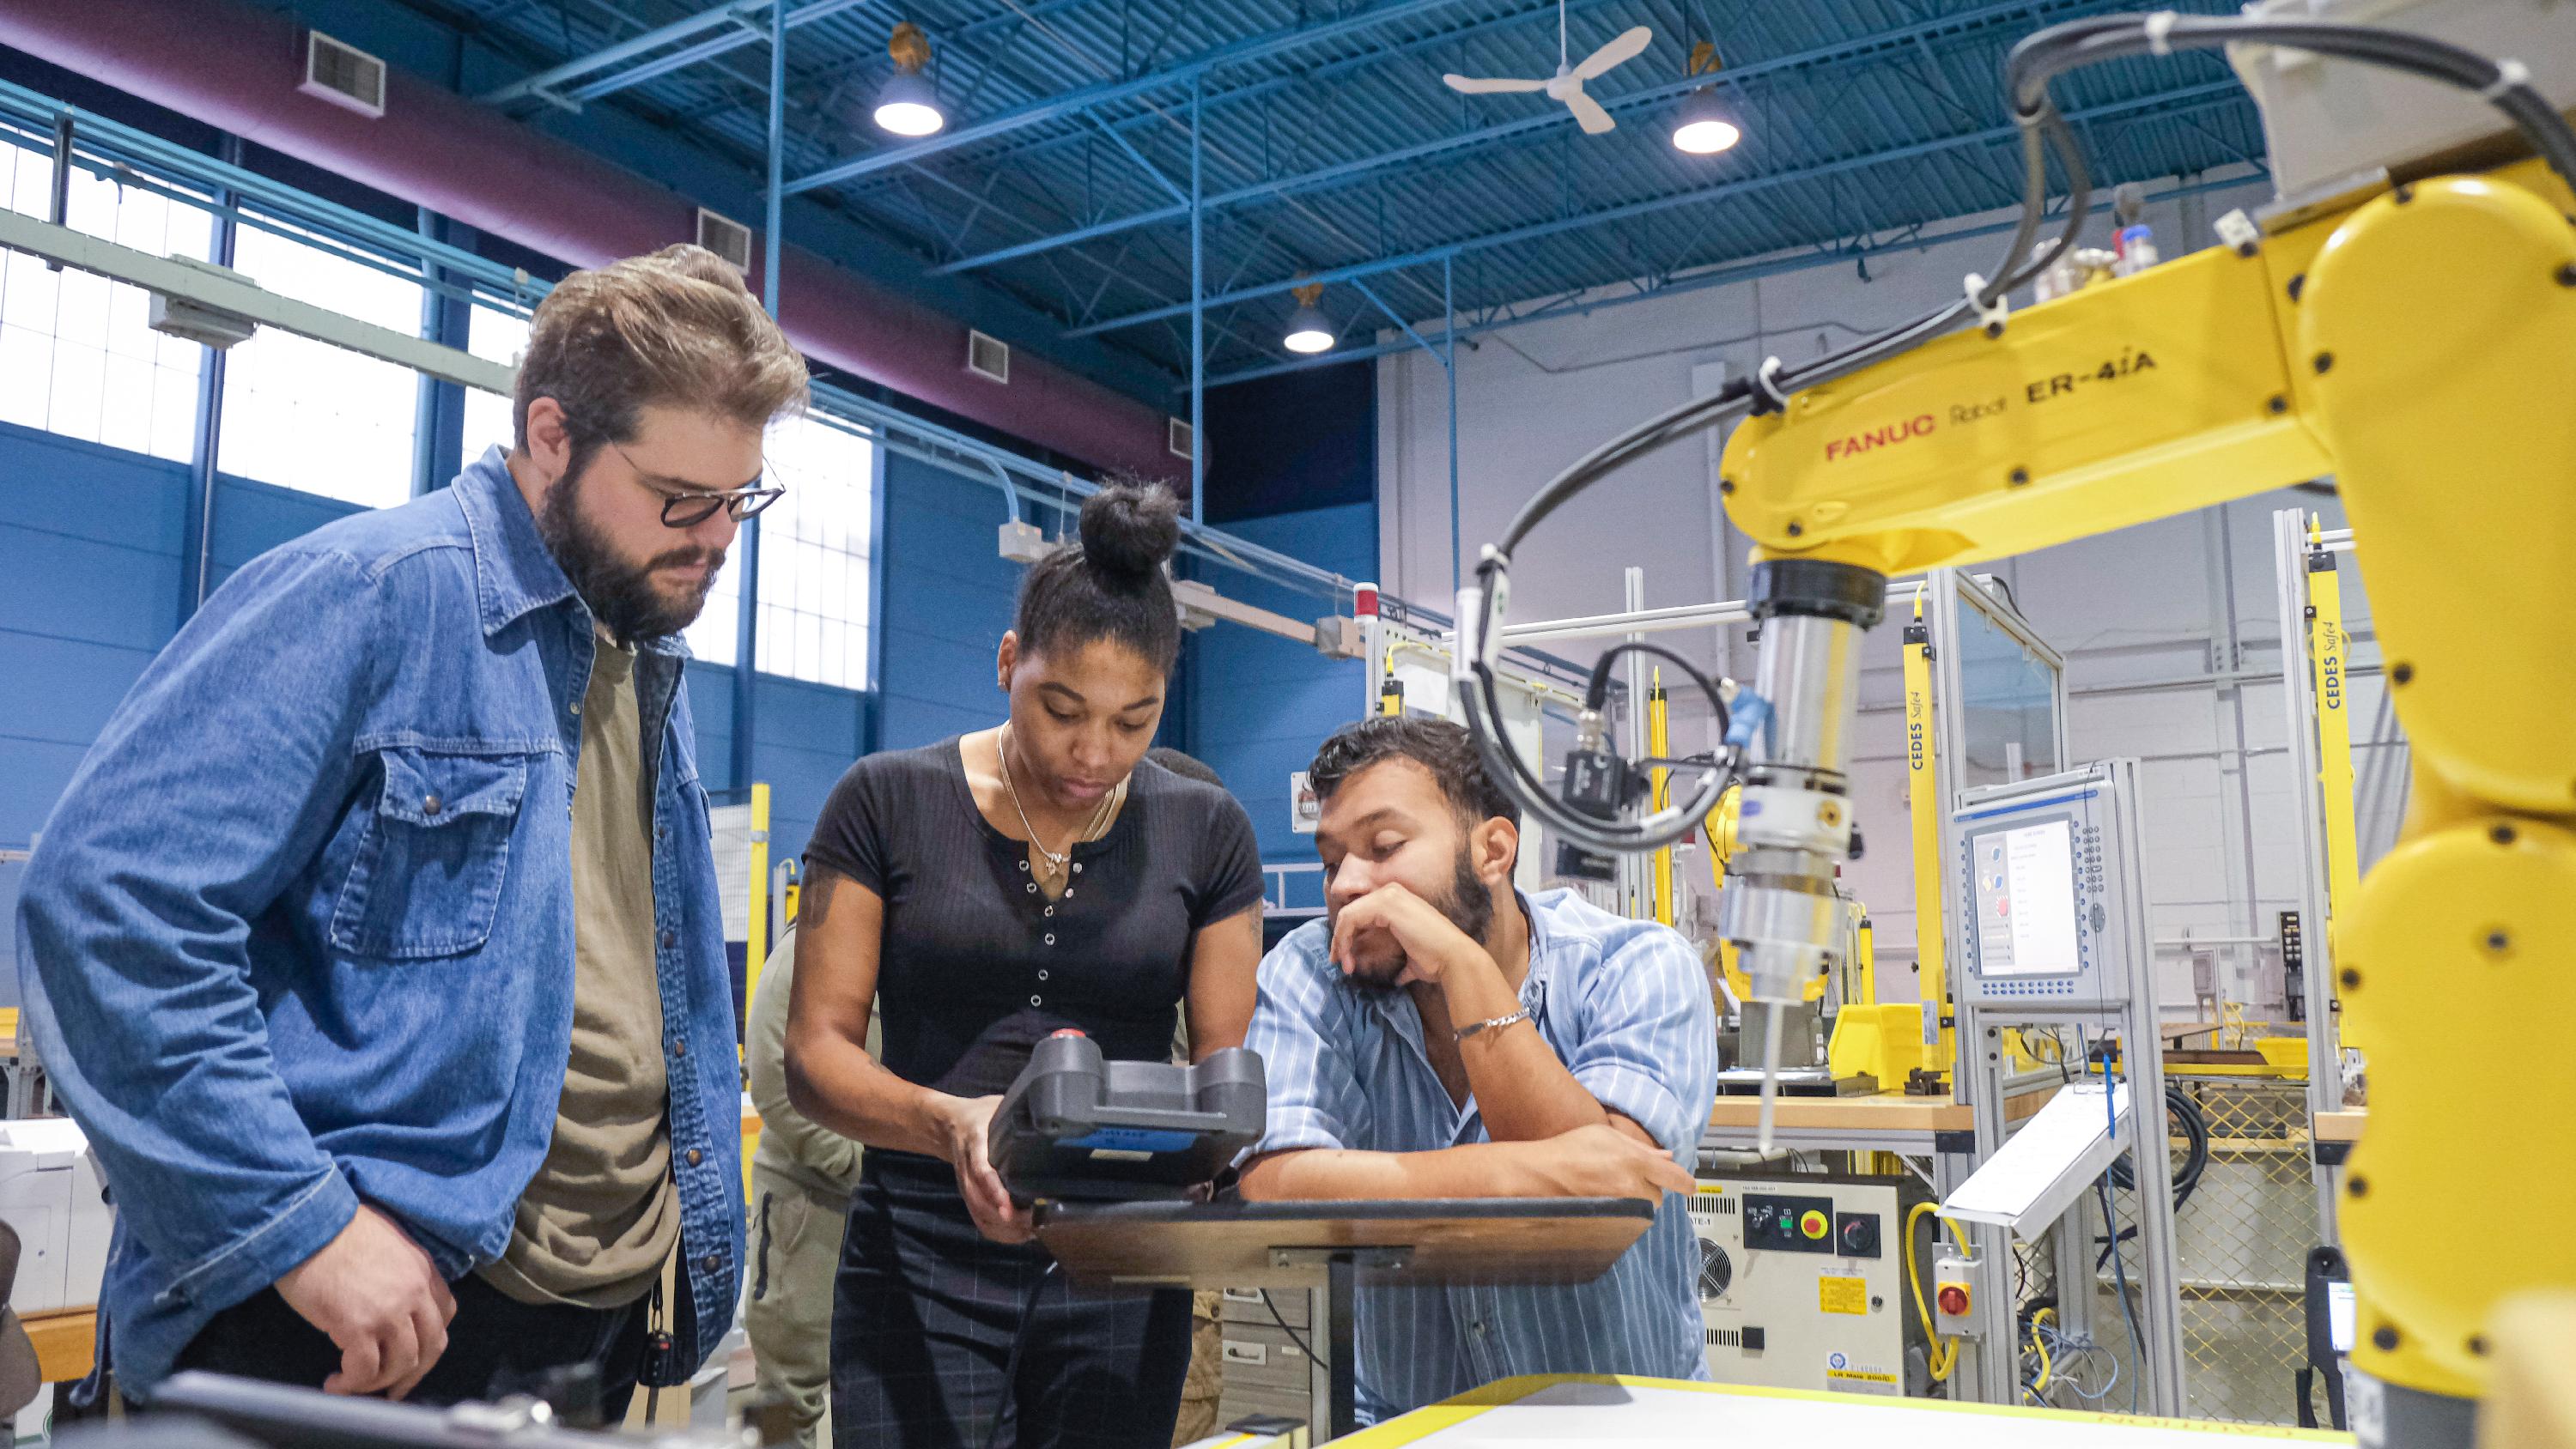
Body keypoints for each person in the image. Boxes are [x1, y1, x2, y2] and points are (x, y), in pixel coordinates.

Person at [14, 244, 808, 1411]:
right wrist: (297, 1222)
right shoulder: (379, 595)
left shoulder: (641, 659)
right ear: (552, 436)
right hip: (364, 1324)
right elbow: (105, 908)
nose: (717, 537)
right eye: (681, 499)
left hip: (587, 1334)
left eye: (739, 498)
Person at [786, 483, 1267, 1449]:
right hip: (917, 1252)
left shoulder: (1207, 830)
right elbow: (814, 1054)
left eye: (1135, 720)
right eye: (1061, 708)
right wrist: (948, 1122)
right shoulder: (883, 801)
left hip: (1121, 1258)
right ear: (1008, 662)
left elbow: (1221, 1069)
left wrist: (1217, 1159)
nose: (1095, 751)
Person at [1236, 716, 1716, 1423]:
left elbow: (1601, 1214)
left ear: (1493, 850)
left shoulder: (1637, 966)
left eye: (1384, 847)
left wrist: (1465, 967)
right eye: (1333, 860)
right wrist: (1535, 1172)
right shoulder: (1313, 971)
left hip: (1624, 1421)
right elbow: (1274, 1188)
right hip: (1405, 1422)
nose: (1346, 886)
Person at [743, 925, 869, 1448]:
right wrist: (846, 1161)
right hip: (808, 1205)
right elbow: (772, 1070)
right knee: (784, 1399)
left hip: (879, 1204)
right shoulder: (814, 942)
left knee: (869, 1388)